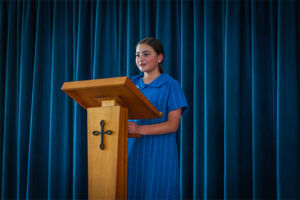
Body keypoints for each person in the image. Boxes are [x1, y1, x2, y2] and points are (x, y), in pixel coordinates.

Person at [127, 37, 189, 199]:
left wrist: (140, 129)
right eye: (137, 55)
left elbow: (173, 125)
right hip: (133, 150)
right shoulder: (130, 85)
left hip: (160, 152)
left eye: (146, 54)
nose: (140, 59)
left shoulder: (171, 85)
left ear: (160, 57)